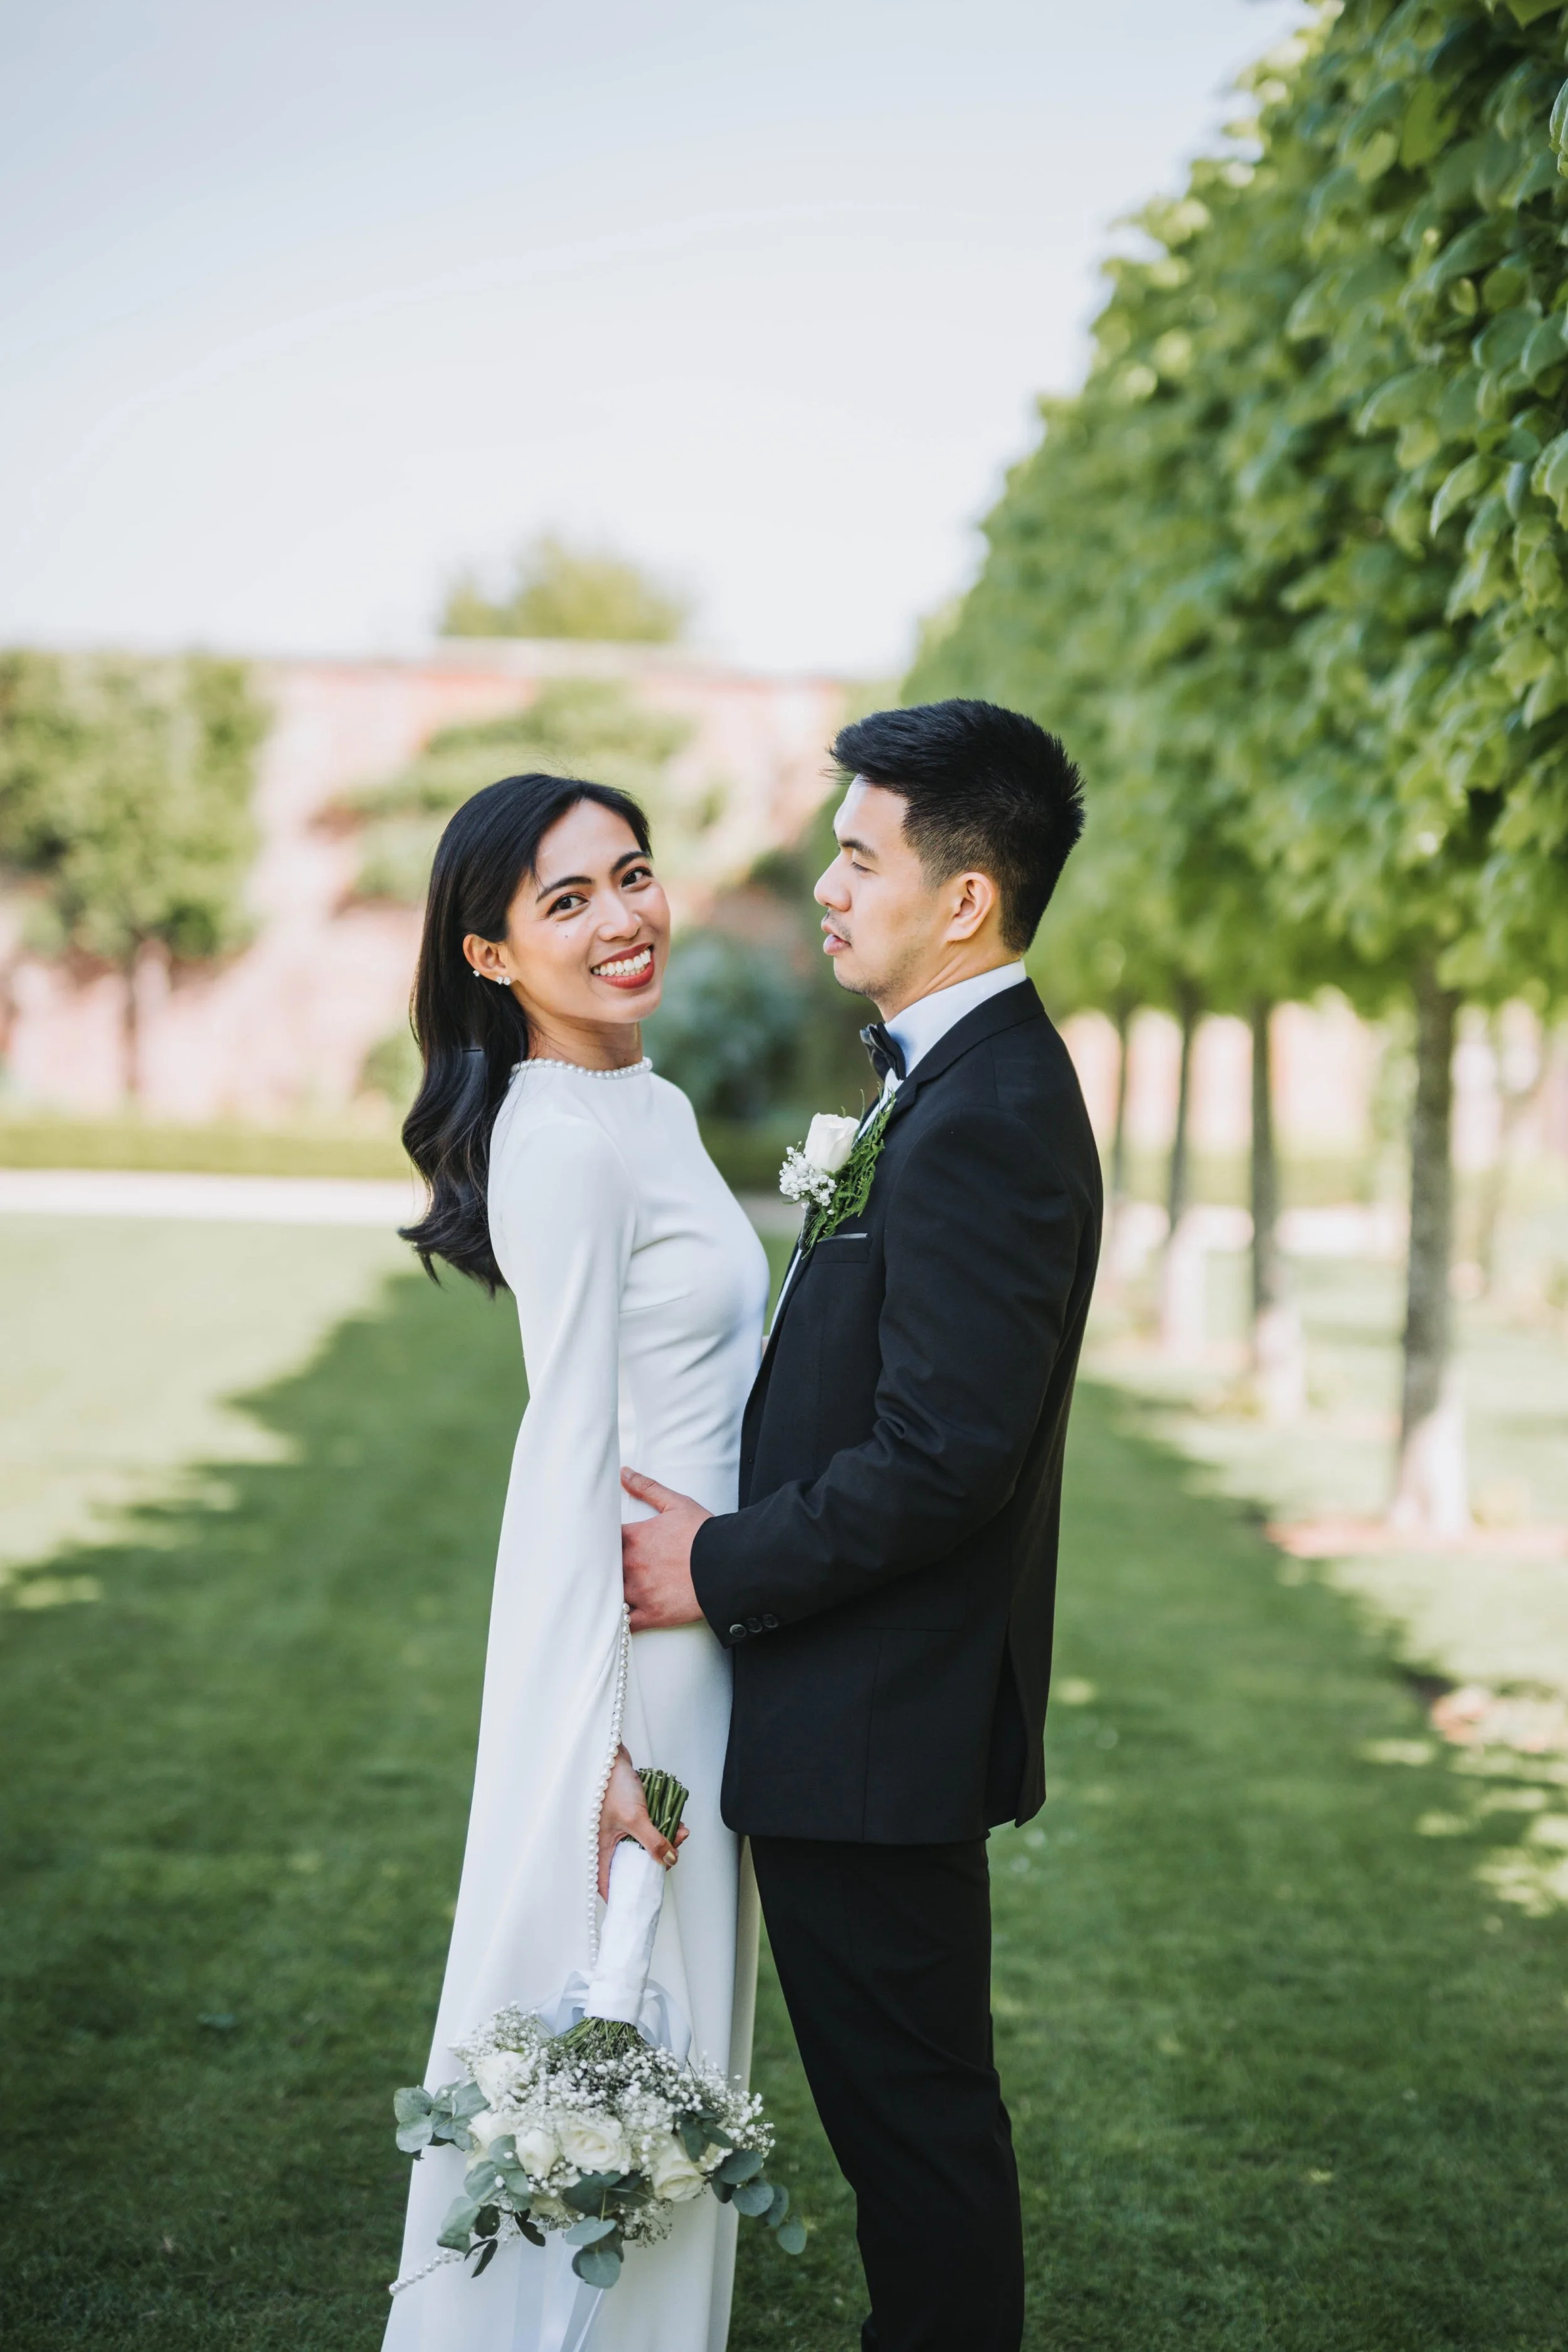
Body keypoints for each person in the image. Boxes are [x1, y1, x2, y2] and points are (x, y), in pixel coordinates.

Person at [621, 698, 1101, 2352]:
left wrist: (713, 1560)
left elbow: (943, 1454)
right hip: (859, 1712)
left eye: (855, 854)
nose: (824, 884)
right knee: (914, 2134)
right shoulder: (953, 1082)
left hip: (878, 1726)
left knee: (919, 2145)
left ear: (963, 895)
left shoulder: (986, 1115)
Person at [384, 772, 769, 2352]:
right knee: (620, 2029)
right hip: (648, 1667)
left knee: (675, 2046)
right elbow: (567, 1463)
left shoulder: (651, 1102)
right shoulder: (555, 1135)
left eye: (631, 875)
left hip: (715, 1626)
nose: (623, 920)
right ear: (489, 956)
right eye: (566, 902)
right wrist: (600, 1747)